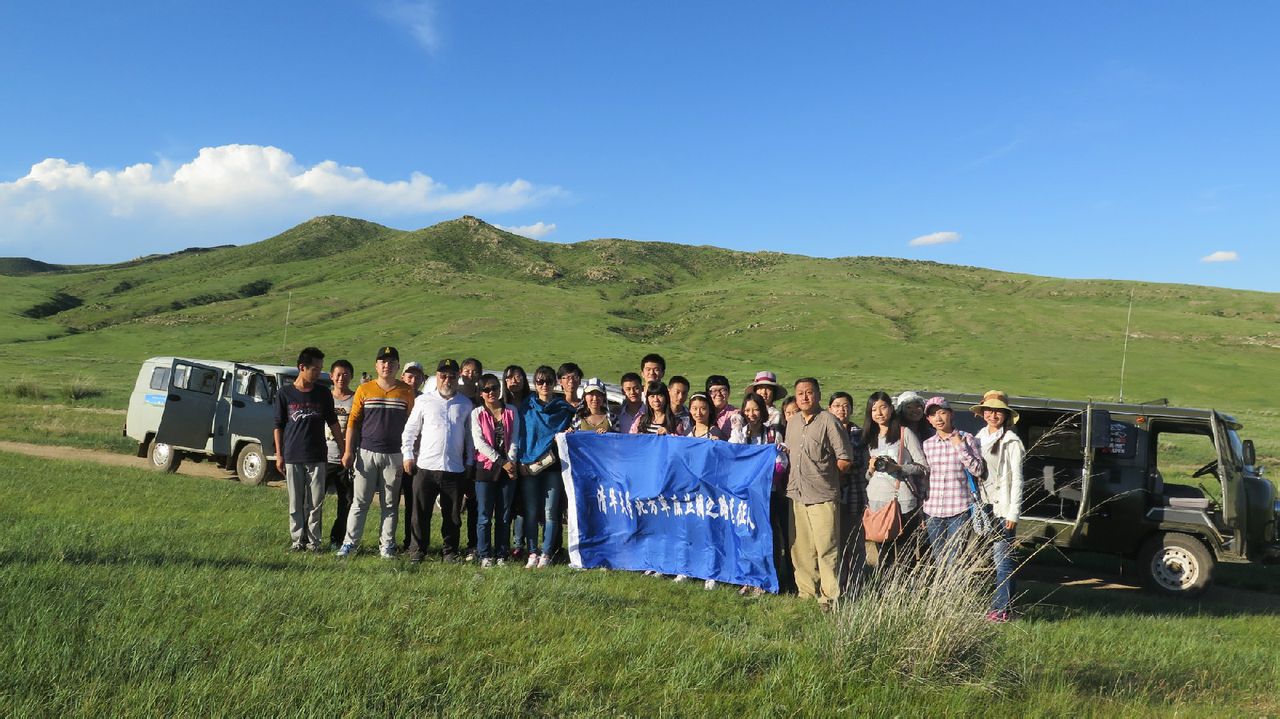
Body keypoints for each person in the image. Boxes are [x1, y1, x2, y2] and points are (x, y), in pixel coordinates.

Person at [337, 346, 415, 558]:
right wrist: (348, 451)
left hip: (394, 455)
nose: (386, 365)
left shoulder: (406, 391)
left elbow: (412, 425)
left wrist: (410, 454)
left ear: (398, 366)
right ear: (376, 365)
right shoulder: (364, 390)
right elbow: (353, 422)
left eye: (391, 362)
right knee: (360, 501)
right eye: (383, 361)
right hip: (366, 453)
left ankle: (387, 546)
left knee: (390, 504)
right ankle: (350, 544)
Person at [784, 378, 854, 611]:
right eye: (800, 393)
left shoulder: (828, 421)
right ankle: (806, 592)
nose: (804, 397)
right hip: (796, 493)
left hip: (823, 494)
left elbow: (844, 459)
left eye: (809, 392)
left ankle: (829, 597)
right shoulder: (792, 422)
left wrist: (827, 474)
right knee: (801, 548)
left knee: (827, 547)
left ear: (818, 395)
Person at [400, 359, 474, 563]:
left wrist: (469, 463)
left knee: (452, 516)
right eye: (443, 375)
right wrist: (408, 455)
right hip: (425, 467)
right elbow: (410, 431)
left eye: (451, 376)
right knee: (420, 513)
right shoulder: (424, 401)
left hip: (454, 468)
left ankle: (449, 552)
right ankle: (417, 551)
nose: (447, 379)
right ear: (436, 376)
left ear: (457, 378)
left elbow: (470, 437)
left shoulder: (465, 404)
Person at [273, 347, 343, 552]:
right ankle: (297, 541)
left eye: (321, 368)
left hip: (317, 455)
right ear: (302, 367)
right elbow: (278, 425)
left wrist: (344, 448)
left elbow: (333, 423)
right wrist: (279, 454)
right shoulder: (284, 394)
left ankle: (314, 542)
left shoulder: (322, 393)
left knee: (316, 502)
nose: (318, 372)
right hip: (293, 455)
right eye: (315, 368)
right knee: (296, 502)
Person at [972, 390, 1025, 622]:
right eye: (989, 410)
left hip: (1001, 507)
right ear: (983, 412)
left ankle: (1000, 610)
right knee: (998, 558)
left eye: (998, 411)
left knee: (1002, 559)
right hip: (981, 504)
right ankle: (1007, 608)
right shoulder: (978, 437)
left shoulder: (1011, 441)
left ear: (1005, 415)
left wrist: (1013, 511)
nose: (993, 415)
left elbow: (1017, 479)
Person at [517, 365, 577, 568]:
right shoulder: (526, 407)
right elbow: (521, 436)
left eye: (549, 381)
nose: (544, 385)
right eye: (540, 381)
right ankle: (532, 552)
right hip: (529, 465)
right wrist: (520, 461)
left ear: (555, 384)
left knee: (551, 511)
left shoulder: (563, 410)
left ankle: (547, 553)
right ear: (535, 384)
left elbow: (574, 431)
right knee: (531, 511)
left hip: (552, 466)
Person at [862, 391, 929, 572]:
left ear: (891, 409)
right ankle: (885, 590)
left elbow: (923, 467)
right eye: (874, 409)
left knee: (904, 553)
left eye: (883, 407)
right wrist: (871, 468)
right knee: (883, 555)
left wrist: (898, 469)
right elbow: (867, 477)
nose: (879, 413)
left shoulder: (904, 433)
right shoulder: (870, 437)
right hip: (876, 501)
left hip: (902, 502)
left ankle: (904, 591)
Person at [730, 392, 788, 595]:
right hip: (744, 494)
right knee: (746, 534)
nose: (751, 414)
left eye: (755, 409)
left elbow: (781, 460)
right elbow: (732, 456)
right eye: (747, 410)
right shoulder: (739, 433)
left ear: (762, 411)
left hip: (766, 493)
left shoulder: (772, 434)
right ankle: (748, 577)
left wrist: (771, 474)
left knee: (767, 535)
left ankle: (766, 579)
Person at [920, 396, 986, 565]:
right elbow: (925, 477)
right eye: (933, 415)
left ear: (951, 414)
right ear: (928, 419)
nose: (938, 418)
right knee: (939, 559)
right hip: (932, 510)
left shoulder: (967, 438)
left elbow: (978, 470)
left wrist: (960, 446)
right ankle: (941, 592)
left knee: (954, 561)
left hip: (959, 509)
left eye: (942, 412)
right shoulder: (927, 444)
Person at [470, 375, 520, 567]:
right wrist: (501, 461)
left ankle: (501, 553)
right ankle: (484, 554)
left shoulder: (511, 411)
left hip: (509, 467)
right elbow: (479, 442)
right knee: (484, 515)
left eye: (494, 388)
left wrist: (511, 462)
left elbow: (515, 438)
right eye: (486, 389)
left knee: (504, 514)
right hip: (486, 467)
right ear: (481, 393)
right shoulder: (477, 413)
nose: (491, 392)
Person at [828, 391, 869, 592]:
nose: (841, 410)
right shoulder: (824, 431)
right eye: (837, 406)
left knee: (855, 544)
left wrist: (837, 468)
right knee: (833, 543)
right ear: (829, 409)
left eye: (845, 406)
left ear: (851, 409)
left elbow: (861, 463)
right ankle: (837, 584)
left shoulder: (859, 435)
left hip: (853, 495)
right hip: (828, 497)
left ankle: (856, 585)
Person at [325, 359, 356, 549]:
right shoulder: (325, 398)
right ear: (331, 376)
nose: (341, 378)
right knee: (314, 500)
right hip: (324, 456)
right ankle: (312, 538)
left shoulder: (356, 398)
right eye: (337, 374)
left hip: (347, 459)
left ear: (351, 376)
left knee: (347, 502)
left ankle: (337, 539)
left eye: (345, 374)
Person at [398, 361, 427, 554]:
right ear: (403, 377)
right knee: (389, 502)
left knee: (412, 503)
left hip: (414, 457)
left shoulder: (426, 399)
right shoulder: (395, 395)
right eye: (409, 376)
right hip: (392, 455)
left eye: (417, 377)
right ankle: (387, 541)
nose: (413, 380)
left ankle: (411, 542)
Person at [503, 364, 531, 559]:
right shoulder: (499, 404)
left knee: (522, 504)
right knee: (505, 504)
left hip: (528, 458)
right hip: (503, 460)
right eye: (510, 377)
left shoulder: (532, 403)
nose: (515, 380)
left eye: (519, 376)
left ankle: (518, 544)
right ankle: (502, 543)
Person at [616, 372, 645, 436]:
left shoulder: (650, 413)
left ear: (642, 388)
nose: (632, 392)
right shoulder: (617, 415)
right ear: (623, 392)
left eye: (636, 388)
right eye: (628, 389)